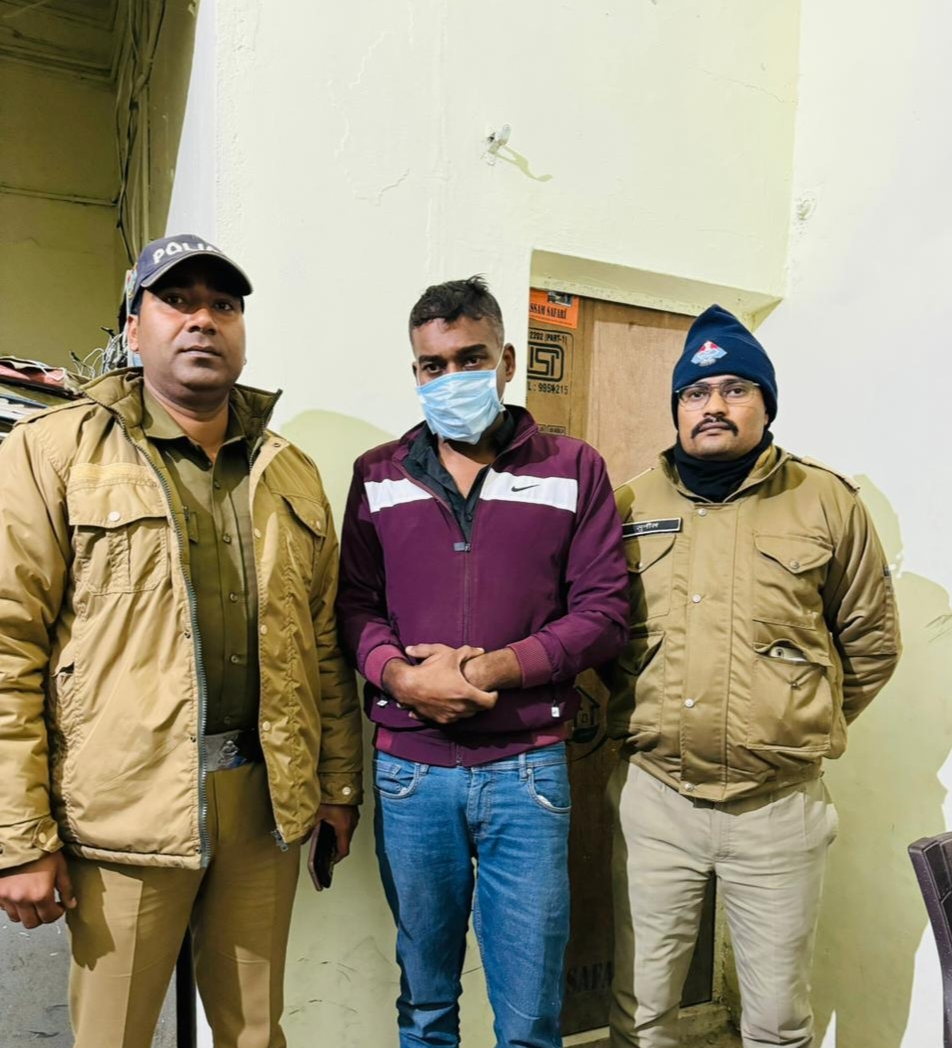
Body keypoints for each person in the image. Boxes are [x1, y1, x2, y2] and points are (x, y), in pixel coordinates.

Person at [0, 234, 363, 1048]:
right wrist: (18, 837)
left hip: (263, 805)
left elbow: (323, 645)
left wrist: (337, 784)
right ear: (135, 329)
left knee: (254, 1033)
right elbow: (7, 647)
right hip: (124, 810)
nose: (203, 320)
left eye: (223, 306)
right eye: (178, 302)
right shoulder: (53, 452)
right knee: (116, 1035)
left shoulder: (290, 471)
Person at [336, 275, 628, 1048]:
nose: (452, 378)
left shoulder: (573, 468)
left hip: (527, 771)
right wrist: (403, 678)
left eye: (470, 359)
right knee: (426, 1003)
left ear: (506, 360)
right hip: (411, 772)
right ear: (415, 371)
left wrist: (490, 671)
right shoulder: (378, 473)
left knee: (530, 1018)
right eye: (433, 365)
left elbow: (604, 614)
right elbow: (354, 605)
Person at [605, 304, 901, 1048]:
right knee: (641, 1015)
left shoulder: (825, 502)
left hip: (777, 806)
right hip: (656, 799)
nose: (713, 406)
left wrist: (793, 720)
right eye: (695, 393)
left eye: (734, 389)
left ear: (766, 404)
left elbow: (871, 644)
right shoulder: (629, 504)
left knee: (776, 1020)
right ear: (677, 408)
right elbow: (601, 639)